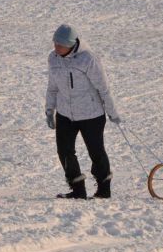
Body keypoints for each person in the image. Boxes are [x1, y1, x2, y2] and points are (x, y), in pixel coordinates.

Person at [45, 24, 121, 199]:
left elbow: (103, 88)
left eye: (60, 45)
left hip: (91, 114)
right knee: (64, 151)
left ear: (71, 44)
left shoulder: (88, 59)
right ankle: (77, 189)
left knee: (96, 151)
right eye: (55, 43)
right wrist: (49, 109)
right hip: (65, 114)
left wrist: (112, 112)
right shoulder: (53, 59)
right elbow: (52, 87)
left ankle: (103, 189)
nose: (56, 48)